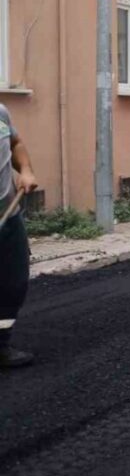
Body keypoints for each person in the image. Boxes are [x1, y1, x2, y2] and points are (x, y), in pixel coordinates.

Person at [0, 103, 38, 368]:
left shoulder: (0, 112)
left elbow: (16, 144)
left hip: (8, 215)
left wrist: (25, 170)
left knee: (13, 282)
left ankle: (1, 345)